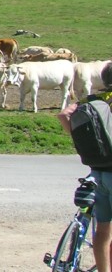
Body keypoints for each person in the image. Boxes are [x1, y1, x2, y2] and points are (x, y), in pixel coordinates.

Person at [58, 62, 112, 272]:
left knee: (103, 231)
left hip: (97, 172)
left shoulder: (95, 101)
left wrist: (78, 138)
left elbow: (64, 115)